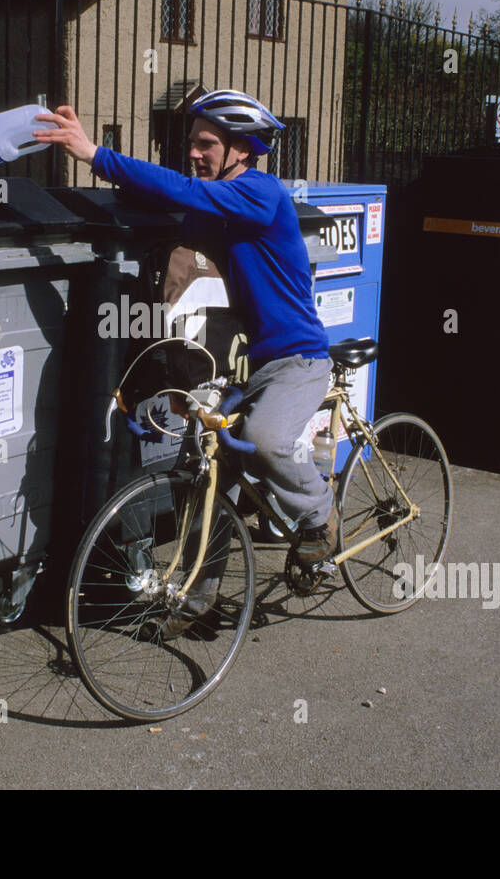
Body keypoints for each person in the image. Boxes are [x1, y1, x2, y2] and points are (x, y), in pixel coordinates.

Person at [34, 91, 337, 594]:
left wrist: (93, 155)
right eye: (191, 143)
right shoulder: (210, 205)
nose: (194, 153)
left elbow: (179, 189)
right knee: (207, 472)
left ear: (241, 148)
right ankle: (196, 601)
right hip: (240, 362)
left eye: (206, 144)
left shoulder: (260, 192)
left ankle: (317, 517)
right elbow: (173, 203)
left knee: (265, 439)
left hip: (295, 358)